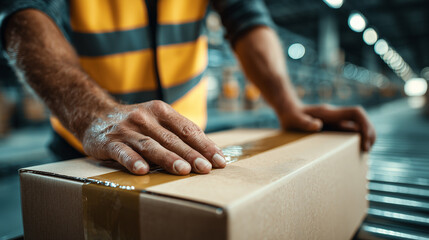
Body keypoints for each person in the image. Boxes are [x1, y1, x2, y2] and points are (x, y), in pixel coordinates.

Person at [0, 0, 375, 176]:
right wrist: (94, 115)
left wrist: (286, 103)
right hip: (86, 144)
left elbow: (246, 17)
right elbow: (24, 14)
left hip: (187, 142)